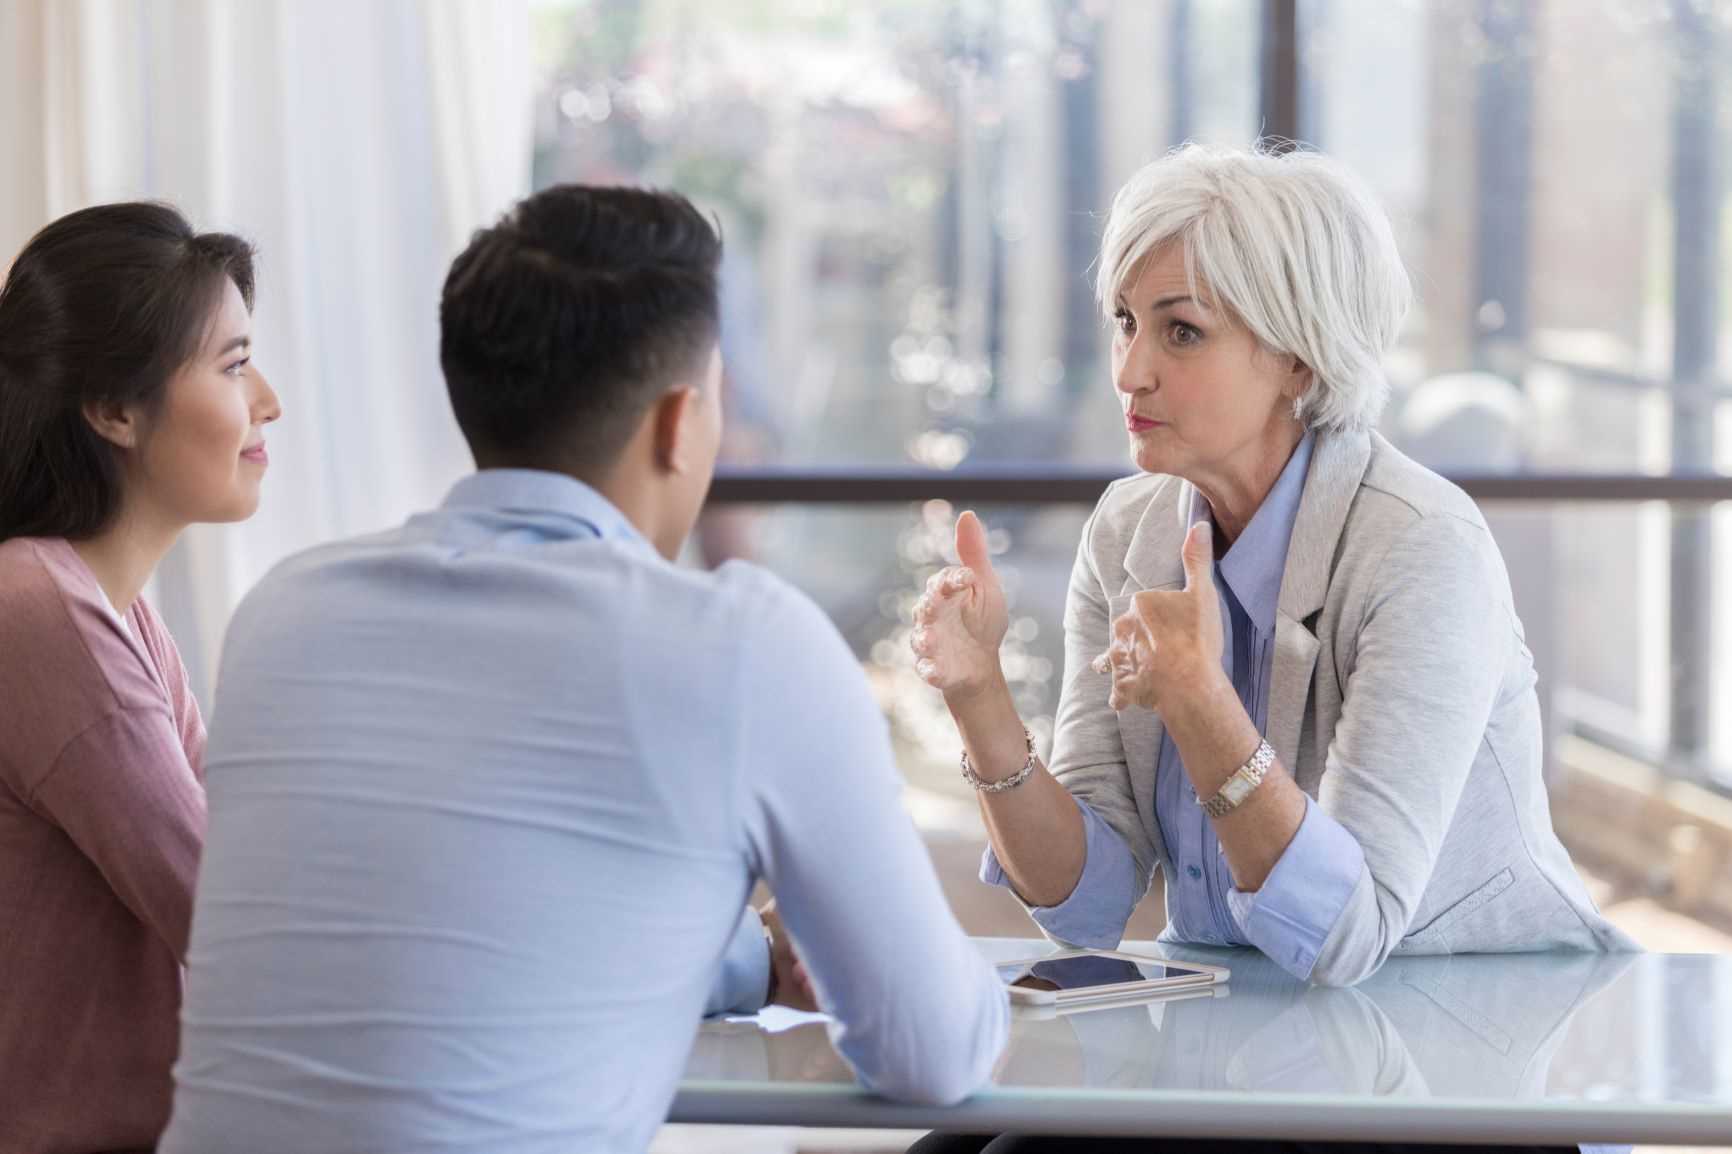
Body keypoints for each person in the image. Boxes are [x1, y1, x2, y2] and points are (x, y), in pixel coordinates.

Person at [160, 185, 1008, 1154]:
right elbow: (931, 1050)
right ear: (681, 422)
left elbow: (474, 938)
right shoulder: (743, 644)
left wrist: (746, 957)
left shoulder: (285, 614)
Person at [907, 140, 1634, 1154]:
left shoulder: (1421, 544)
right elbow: (1088, 902)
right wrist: (979, 698)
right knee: (957, 1144)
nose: (1130, 369)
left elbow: (1344, 934)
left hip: (1460, 1055)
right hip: (1241, 1034)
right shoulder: (1129, 530)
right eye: (1125, 321)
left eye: (1181, 331)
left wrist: (1200, 701)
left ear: (1299, 356)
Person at [0, 202, 280, 1154]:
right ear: (115, 409)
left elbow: (233, 854)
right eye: (235, 366)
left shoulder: (112, 614)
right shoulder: (41, 614)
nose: (268, 402)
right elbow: (225, 918)